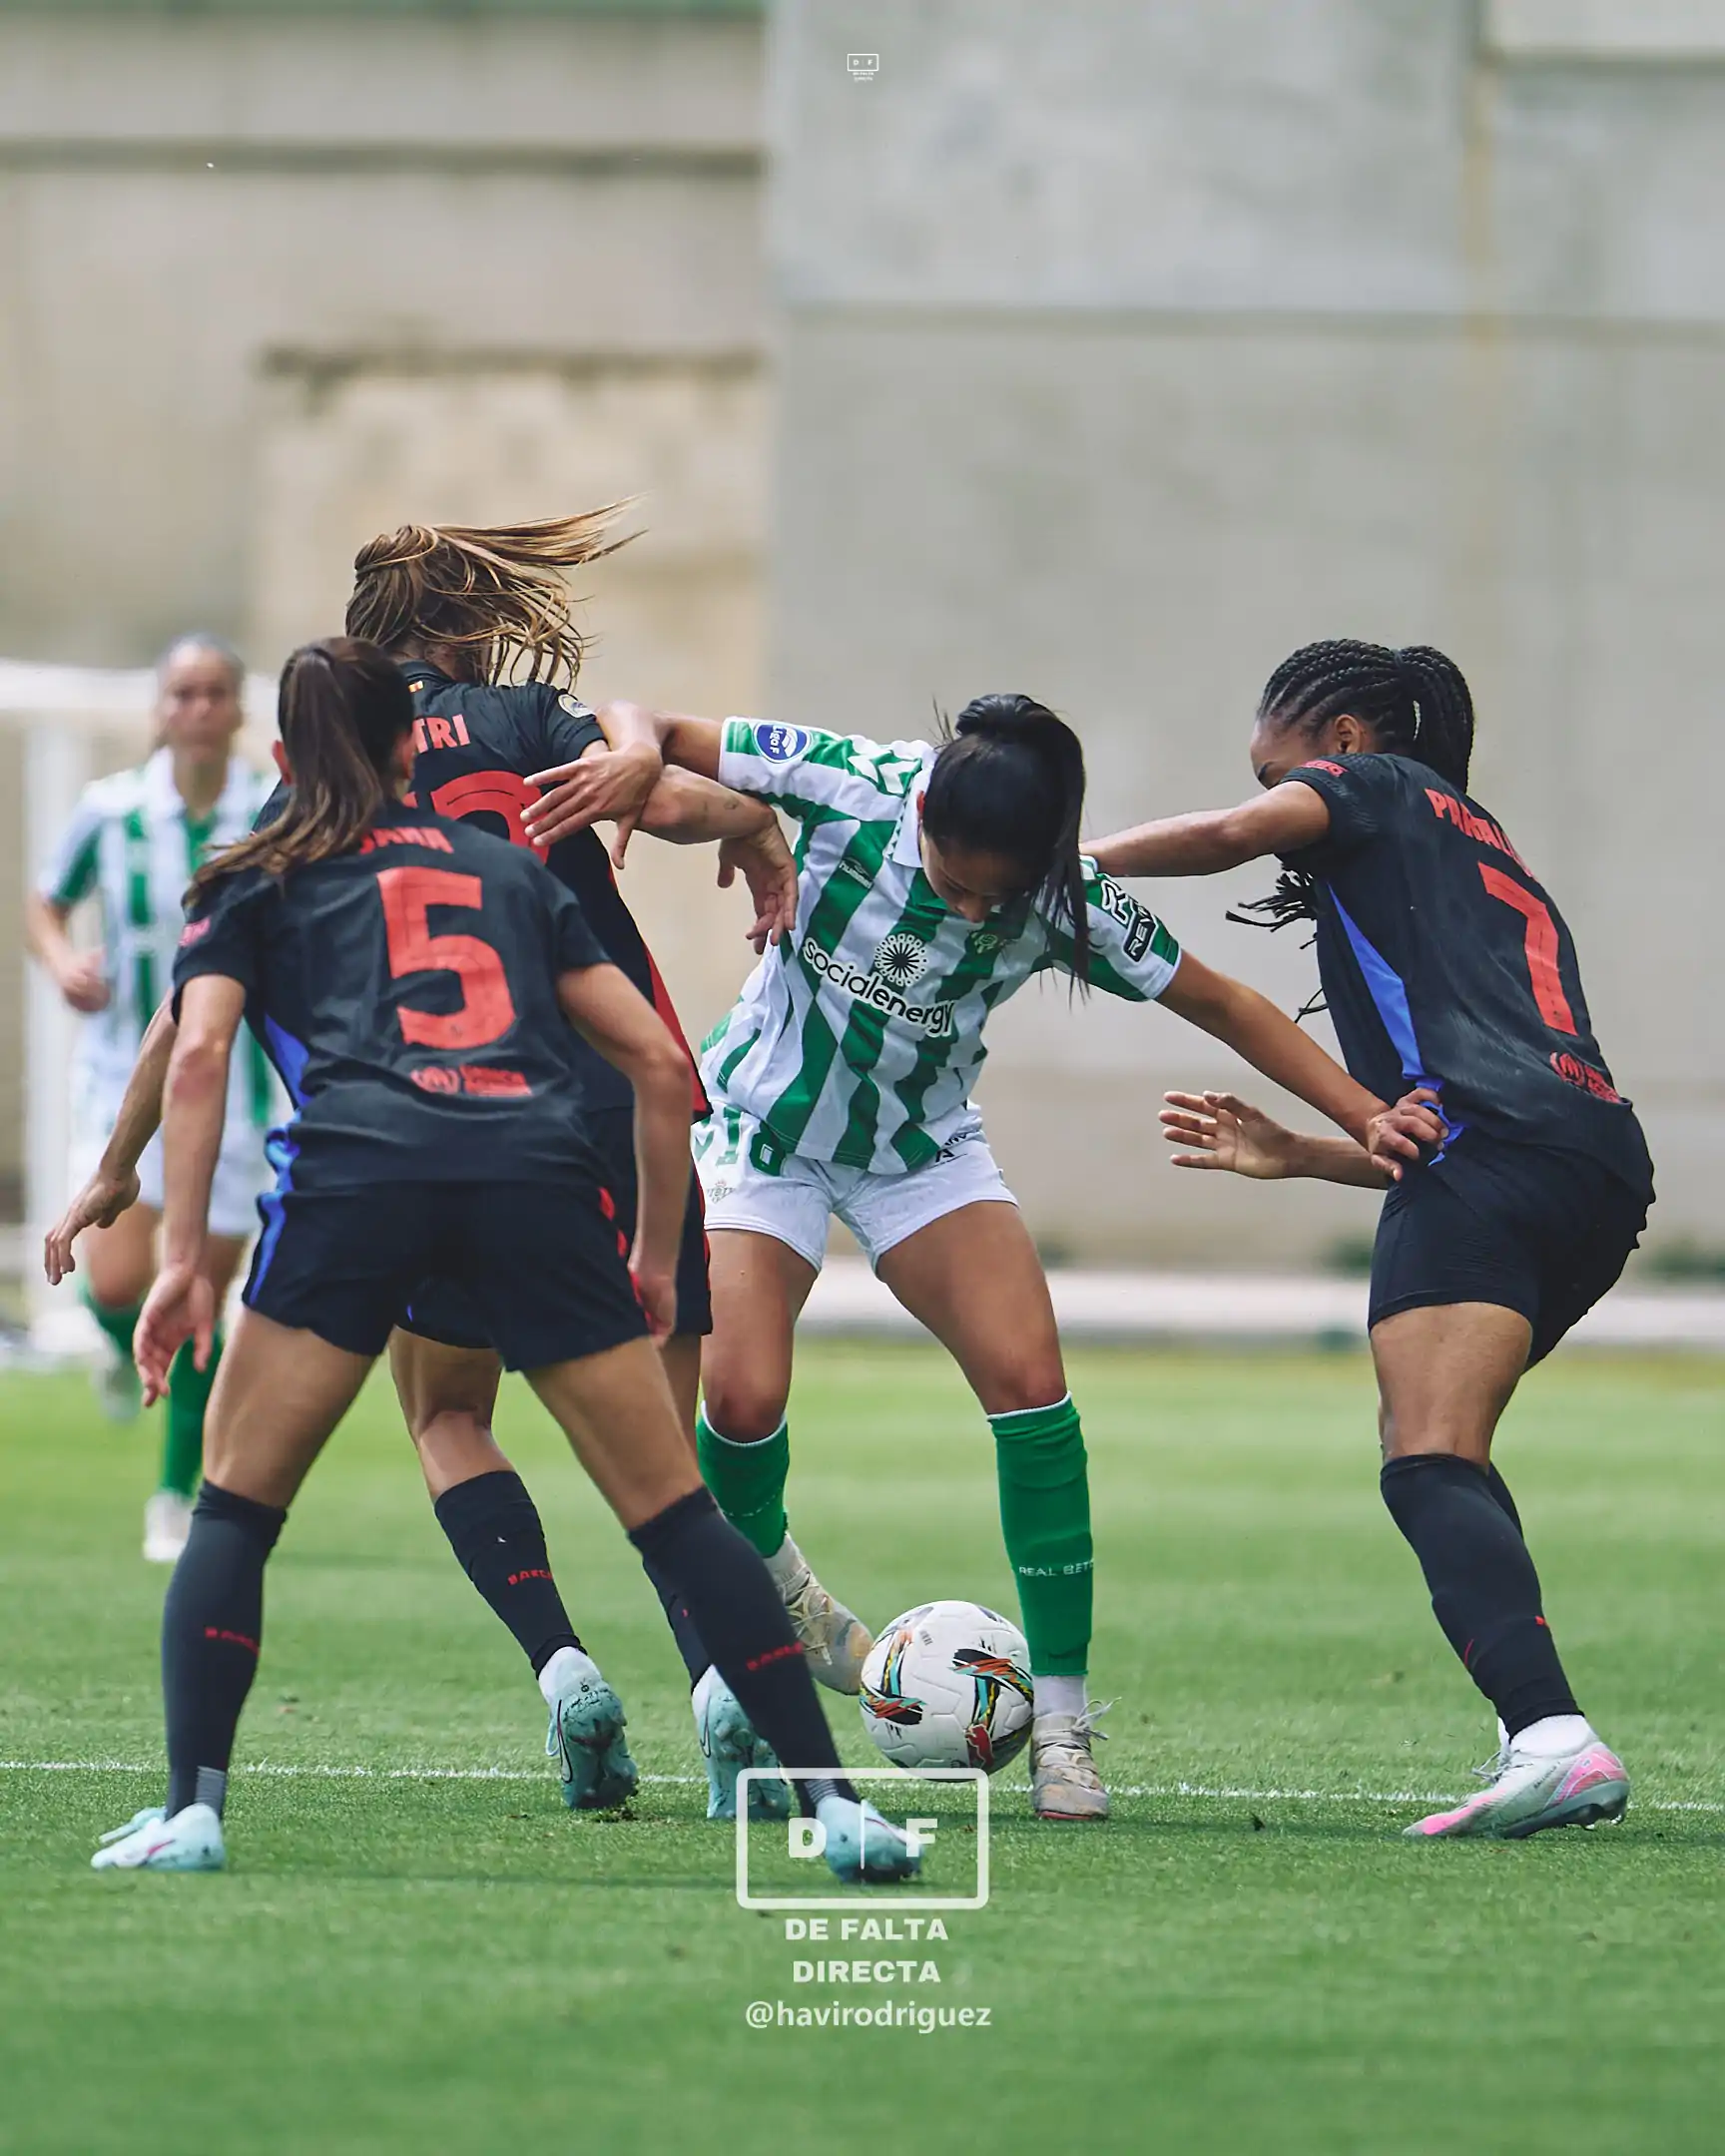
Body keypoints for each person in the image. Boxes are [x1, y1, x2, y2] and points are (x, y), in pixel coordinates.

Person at [90, 637, 920, 1884]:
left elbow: (200, 1054)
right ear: (411, 747)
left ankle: (192, 1810)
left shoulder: (250, 878)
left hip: (358, 1181)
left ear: (279, 759)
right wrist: (647, 1252)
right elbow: (650, 1059)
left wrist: (177, 1259)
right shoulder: (502, 866)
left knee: (237, 1505)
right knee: (676, 1516)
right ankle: (838, 1807)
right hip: (529, 1173)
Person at [524, 691, 1438, 1823]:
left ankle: (1061, 1723)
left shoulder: (1073, 901)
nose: (961, 901)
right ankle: (786, 1608)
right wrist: (629, 758)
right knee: (741, 1400)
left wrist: (1364, 1113)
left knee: (1031, 1387)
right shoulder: (856, 783)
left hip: (921, 1150)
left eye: (983, 892)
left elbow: (1228, 1004)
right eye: (944, 873)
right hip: (765, 1133)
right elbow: (659, 722)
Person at [1087, 638, 1653, 1840]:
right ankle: (1533, 1734)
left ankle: (1552, 1738)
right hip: (1594, 1170)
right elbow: (1435, 1130)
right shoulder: (1472, 846)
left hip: (1499, 1161)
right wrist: (1297, 1154)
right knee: (1446, 1451)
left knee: (1428, 1456)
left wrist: (1060, 868)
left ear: (1342, 744)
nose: (1268, 796)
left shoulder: (1381, 786)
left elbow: (1230, 837)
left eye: (1273, 767)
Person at [26, 636, 280, 1563]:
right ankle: (111, 1336)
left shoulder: (270, 810)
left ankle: (176, 1494)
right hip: (122, 1083)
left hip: (241, 1091)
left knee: (202, 1293)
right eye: (184, 693)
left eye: (217, 693)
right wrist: (63, 963)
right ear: (161, 711)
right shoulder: (112, 811)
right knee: (122, 1283)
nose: (201, 708)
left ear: (239, 710)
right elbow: (45, 902)